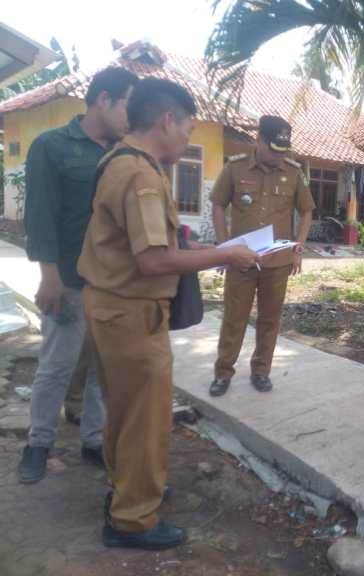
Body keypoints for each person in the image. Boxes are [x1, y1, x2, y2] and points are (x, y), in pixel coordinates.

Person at [78, 77, 260, 550]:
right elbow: (152, 262)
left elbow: (152, 242)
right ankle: (133, 519)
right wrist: (226, 254)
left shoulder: (127, 161)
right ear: (166, 120)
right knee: (144, 417)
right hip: (132, 312)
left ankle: (130, 491)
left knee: (126, 412)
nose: (188, 139)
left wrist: (197, 247)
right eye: (187, 129)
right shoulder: (138, 174)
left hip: (114, 308)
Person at [17, 67, 139, 484]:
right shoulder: (52, 147)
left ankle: (93, 440)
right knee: (56, 366)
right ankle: (38, 442)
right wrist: (48, 276)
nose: (132, 116)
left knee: (101, 368)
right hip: (67, 279)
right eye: (128, 105)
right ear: (104, 100)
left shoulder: (125, 153)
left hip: (112, 284)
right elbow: (40, 215)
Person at [208, 115, 315, 397]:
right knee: (234, 317)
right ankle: (223, 372)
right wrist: (223, 247)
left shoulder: (293, 172)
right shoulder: (235, 168)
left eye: (284, 151)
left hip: (277, 263)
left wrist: (298, 247)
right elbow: (218, 204)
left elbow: (306, 210)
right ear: (259, 141)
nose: (280, 157)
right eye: (274, 149)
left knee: (270, 320)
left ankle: (261, 370)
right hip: (241, 261)